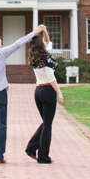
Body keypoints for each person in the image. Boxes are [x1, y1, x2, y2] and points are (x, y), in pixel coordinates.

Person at [0, 24, 48, 164]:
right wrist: (35, 32)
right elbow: (18, 43)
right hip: (0, 93)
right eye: (0, 42)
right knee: (1, 125)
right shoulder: (0, 53)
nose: (1, 45)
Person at [25, 29, 63, 164]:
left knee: (46, 123)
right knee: (47, 125)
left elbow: (47, 40)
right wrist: (59, 93)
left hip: (38, 91)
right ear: (41, 45)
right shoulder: (46, 58)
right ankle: (43, 156)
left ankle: (31, 147)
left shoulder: (35, 57)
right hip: (48, 90)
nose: (45, 42)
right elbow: (51, 77)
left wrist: (45, 31)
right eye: (43, 42)